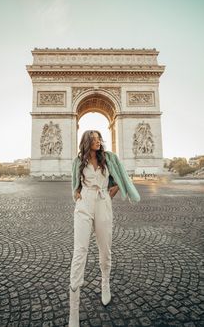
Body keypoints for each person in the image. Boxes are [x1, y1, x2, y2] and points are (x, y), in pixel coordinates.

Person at [69, 130, 140, 327]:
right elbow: (74, 183)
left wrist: (114, 189)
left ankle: (105, 282)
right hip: (84, 205)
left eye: (99, 138)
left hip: (103, 202)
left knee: (104, 248)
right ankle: (73, 311)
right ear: (86, 142)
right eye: (93, 139)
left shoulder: (108, 158)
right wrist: (77, 195)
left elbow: (120, 177)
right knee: (79, 251)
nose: (98, 141)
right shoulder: (78, 161)